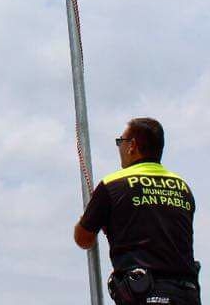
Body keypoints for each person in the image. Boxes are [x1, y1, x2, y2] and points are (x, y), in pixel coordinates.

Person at [74, 118, 201, 305]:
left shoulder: (113, 185)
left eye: (120, 141)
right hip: (187, 294)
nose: (119, 147)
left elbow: (83, 239)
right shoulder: (182, 187)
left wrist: (87, 220)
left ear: (132, 145)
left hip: (147, 293)